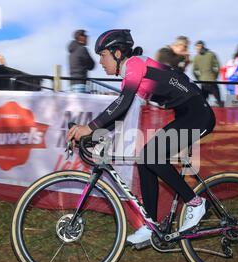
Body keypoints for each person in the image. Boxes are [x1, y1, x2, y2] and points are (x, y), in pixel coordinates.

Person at [67, 29, 216, 246]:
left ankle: (195, 203)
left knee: (152, 156)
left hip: (198, 114)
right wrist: (94, 134)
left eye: (103, 55)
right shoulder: (132, 73)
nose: (100, 61)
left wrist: (89, 128)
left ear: (117, 53)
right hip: (186, 113)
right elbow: (120, 113)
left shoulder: (135, 64)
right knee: (145, 159)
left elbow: (122, 103)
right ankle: (151, 224)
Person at [222, 45, 238, 125]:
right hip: (236, 84)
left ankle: (230, 122)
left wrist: (224, 81)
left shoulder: (230, 60)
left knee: (231, 103)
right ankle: (237, 121)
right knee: (237, 102)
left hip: (229, 83)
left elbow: (223, 70)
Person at [193, 40, 223, 107]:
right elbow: (218, 67)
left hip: (203, 83)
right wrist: (214, 76)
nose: (196, 49)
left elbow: (194, 71)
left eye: (197, 47)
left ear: (201, 46)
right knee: (219, 103)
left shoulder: (196, 57)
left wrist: (199, 79)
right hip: (212, 82)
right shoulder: (211, 54)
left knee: (203, 105)